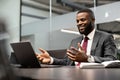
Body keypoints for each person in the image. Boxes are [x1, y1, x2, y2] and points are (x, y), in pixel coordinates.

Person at [36, 8, 117, 66]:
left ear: (93, 20)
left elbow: (111, 60)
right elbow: (67, 62)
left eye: (83, 20)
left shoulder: (106, 37)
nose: (79, 23)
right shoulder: (75, 41)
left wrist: (88, 58)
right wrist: (51, 59)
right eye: (77, 21)